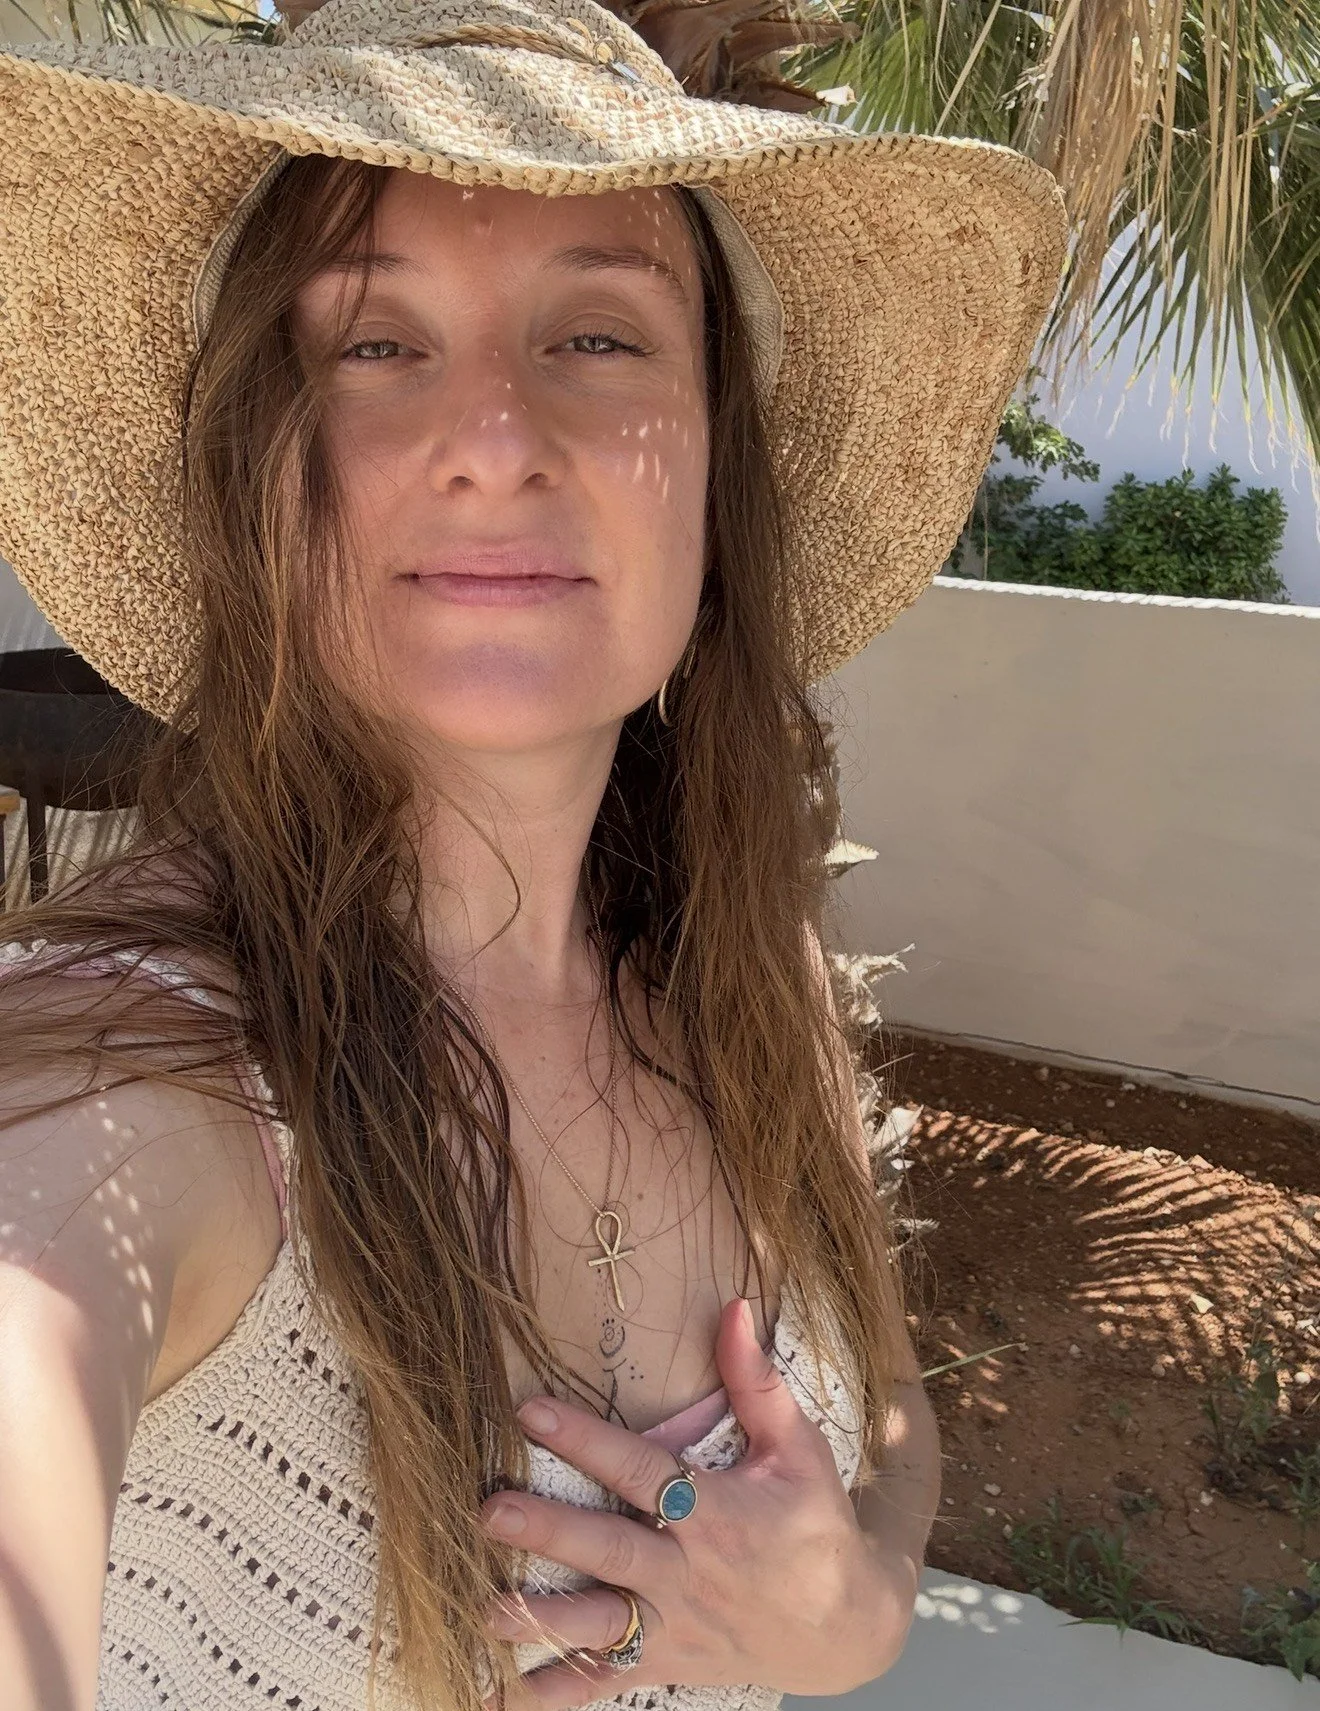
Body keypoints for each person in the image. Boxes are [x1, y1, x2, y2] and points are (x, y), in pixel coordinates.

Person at [0, 0, 1066, 1707]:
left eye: (597, 336)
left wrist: (858, 1601)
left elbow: (889, 1411)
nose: (494, 434)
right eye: (372, 343)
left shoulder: (749, 974)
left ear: (719, 475)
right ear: (257, 477)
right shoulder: (135, 1078)